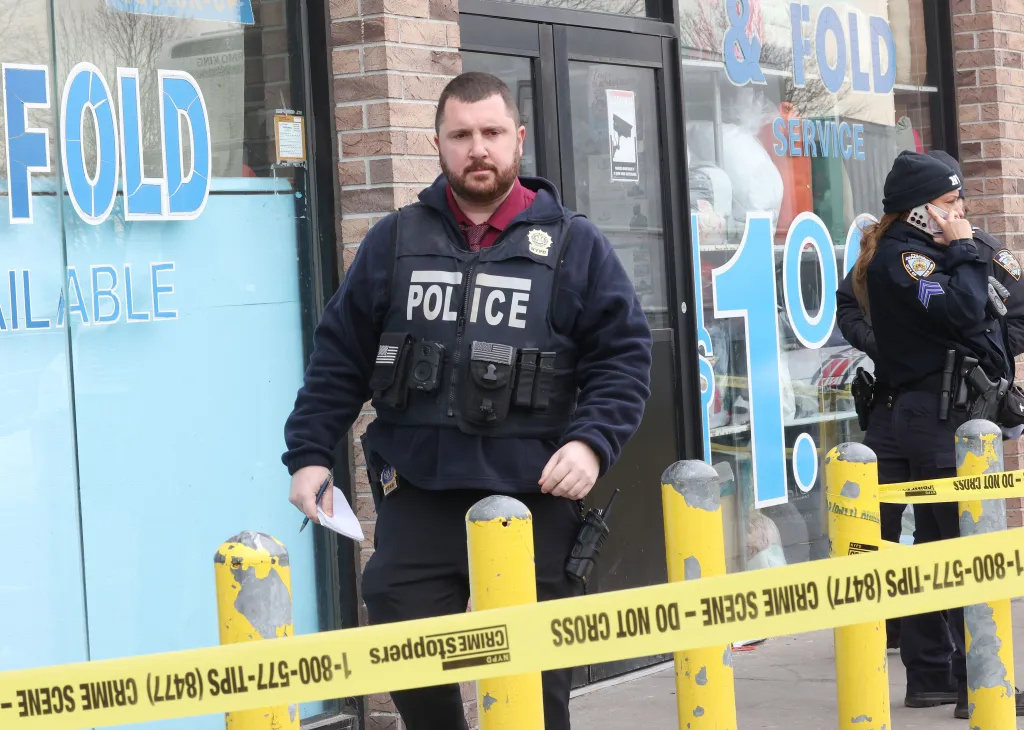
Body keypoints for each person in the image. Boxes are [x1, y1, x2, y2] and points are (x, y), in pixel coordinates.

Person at [282, 71, 653, 730]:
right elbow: (340, 356)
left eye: (491, 132)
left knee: (534, 699)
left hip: (536, 496)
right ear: (438, 144)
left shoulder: (575, 245)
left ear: (518, 139)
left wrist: (591, 443)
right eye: (460, 135)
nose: (477, 149)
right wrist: (310, 454)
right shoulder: (395, 241)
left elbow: (622, 357)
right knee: (404, 650)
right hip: (422, 492)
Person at [853, 150, 1024, 718]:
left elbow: (997, 310)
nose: (961, 212)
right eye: (950, 202)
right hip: (931, 416)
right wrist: (964, 250)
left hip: (941, 412)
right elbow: (965, 311)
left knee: (934, 548)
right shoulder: (903, 258)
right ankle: (980, 684)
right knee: (964, 550)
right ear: (918, 209)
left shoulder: (931, 252)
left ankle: (935, 676)